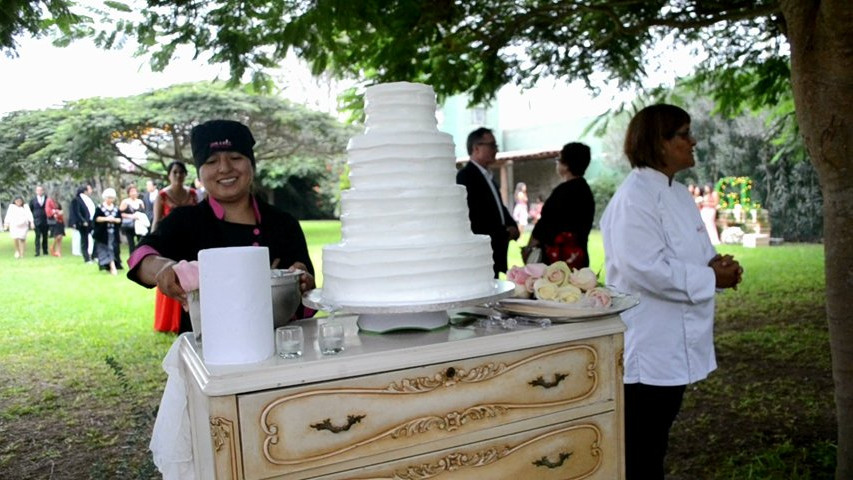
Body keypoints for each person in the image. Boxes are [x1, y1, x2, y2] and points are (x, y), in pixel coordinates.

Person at [600, 104, 743, 480]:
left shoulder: (677, 194)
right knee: (641, 451)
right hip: (649, 346)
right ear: (658, 143)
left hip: (676, 341)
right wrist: (711, 278)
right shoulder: (635, 197)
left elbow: (697, 252)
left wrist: (719, 266)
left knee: (656, 442)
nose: (693, 141)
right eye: (683, 134)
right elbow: (647, 269)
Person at [128, 120, 315, 334]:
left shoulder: (283, 223)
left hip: (278, 346)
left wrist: (302, 282)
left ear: (251, 165)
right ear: (199, 173)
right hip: (208, 349)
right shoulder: (185, 220)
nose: (225, 168)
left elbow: (307, 289)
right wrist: (162, 268)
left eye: (235, 158)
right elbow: (142, 256)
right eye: (211, 161)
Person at [456, 127, 519, 277]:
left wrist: (512, 225)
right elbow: (475, 216)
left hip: (496, 250)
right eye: (491, 145)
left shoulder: (487, 176)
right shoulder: (466, 177)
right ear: (476, 148)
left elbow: (498, 207)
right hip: (482, 253)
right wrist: (503, 232)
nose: (495, 150)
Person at [145, 161, 198, 332]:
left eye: (181, 172)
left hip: (191, 243)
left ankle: (189, 316)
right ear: (169, 175)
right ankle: (169, 321)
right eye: (174, 172)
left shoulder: (193, 194)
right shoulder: (162, 196)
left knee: (189, 278)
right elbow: (157, 221)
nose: (178, 175)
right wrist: (153, 244)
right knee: (170, 276)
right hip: (170, 243)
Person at [524, 142, 595, 268]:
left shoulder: (562, 192)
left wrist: (530, 247)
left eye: (559, 159)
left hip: (557, 259)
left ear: (566, 165)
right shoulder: (585, 191)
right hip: (578, 257)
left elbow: (545, 224)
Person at [92, 188, 123, 275]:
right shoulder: (99, 208)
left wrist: (114, 220)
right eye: (108, 197)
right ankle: (112, 267)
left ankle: (113, 266)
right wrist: (106, 219)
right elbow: (96, 219)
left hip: (113, 233)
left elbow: (120, 220)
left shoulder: (116, 209)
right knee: (106, 249)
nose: (110, 200)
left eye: (112, 198)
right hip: (102, 234)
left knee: (113, 249)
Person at [68, 185, 96, 263]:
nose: (91, 190)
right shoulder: (77, 200)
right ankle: (87, 258)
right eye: (89, 189)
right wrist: (83, 221)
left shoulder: (88, 199)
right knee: (84, 240)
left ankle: (94, 255)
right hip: (83, 223)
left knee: (96, 238)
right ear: (85, 191)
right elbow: (77, 212)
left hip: (91, 221)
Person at [119, 185, 145, 252]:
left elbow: (144, 212)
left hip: (139, 226)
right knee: (131, 244)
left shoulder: (140, 202)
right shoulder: (125, 202)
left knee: (141, 242)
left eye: (135, 191)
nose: (133, 193)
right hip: (129, 226)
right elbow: (120, 213)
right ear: (128, 193)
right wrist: (131, 216)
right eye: (131, 191)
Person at [28, 185, 49, 256]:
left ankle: (45, 251)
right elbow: (30, 210)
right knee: (37, 237)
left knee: (45, 236)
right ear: (36, 191)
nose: (40, 192)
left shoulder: (47, 199)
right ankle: (37, 252)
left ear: (43, 191)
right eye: (38, 190)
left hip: (45, 221)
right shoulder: (33, 200)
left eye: (41, 190)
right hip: (36, 221)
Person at [44, 193, 66, 257]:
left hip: (60, 220)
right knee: (57, 236)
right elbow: (48, 211)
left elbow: (61, 209)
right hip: (54, 221)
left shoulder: (58, 202)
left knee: (61, 236)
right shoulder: (49, 201)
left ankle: (59, 251)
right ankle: (52, 247)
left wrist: (61, 212)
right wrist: (56, 212)